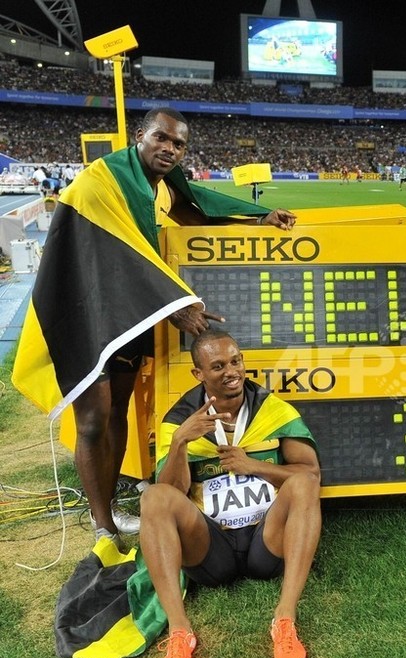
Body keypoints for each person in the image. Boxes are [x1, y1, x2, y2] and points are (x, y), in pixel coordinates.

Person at [12, 107, 297, 548]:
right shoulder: (100, 182)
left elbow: (194, 208)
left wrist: (258, 219)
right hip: (86, 312)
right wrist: (171, 307)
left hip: (128, 314)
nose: (169, 149)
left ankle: (112, 502)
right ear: (140, 135)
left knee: (118, 410)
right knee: (93, 420)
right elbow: (107, 258)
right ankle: (102, 523)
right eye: (161, 139)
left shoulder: (158, 185)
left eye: (179, 144)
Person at [141, 330, 321, 658]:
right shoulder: (180, 419)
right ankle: (180, 634)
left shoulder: (272, 410)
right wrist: (179, 443)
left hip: (265, 540)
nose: (231, 371)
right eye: (218, 365)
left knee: (302, 485)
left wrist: (253, 466)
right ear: (199, 374)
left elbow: (310, 473)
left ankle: (284, 620)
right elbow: (171, 494)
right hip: (210, 549)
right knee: (152, 497)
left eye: (236, 361)